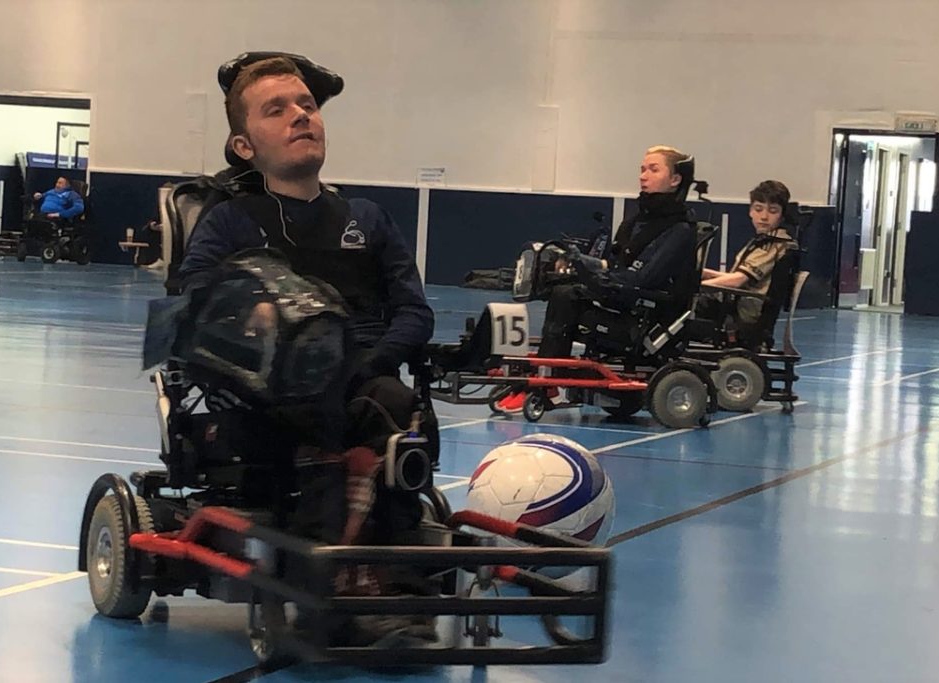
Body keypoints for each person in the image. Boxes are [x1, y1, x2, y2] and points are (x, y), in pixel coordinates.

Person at [178, 55, 437, 646]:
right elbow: (192, 305)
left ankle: (395, 586)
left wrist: (363, 364)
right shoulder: (228, 224)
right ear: (244, 146)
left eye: (307, 106)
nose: (301, 116)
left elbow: (415, 312)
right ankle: (343, 591)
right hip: (267, 400)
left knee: (387, 408)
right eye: (278, 109)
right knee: (360, 412)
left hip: (365, 381)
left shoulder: (366, 219)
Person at [496, 145, 699, 412]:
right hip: (626, 303)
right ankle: (541, 377)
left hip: (644, 320)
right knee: (560, 285)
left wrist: (595, 279)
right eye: (642, 169)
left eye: (653, 169)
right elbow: (614, 265)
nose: (643, 176)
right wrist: (579, 261)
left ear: (675, 179)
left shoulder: (680, 230)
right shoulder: (637, 222)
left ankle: (546, 385)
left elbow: (642, 279)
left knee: (567, 295)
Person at [698, 180, 798, 332]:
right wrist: (704, 274)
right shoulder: (762, 241)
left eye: (772, 211)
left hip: (743, 313)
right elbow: (739, 276)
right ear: (750, 211)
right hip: (740, 303)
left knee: (685, 303)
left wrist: (698, 286)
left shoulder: (773, 245)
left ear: (782, 215)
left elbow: (738, 280)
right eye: (758, 209)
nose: (764, 216)